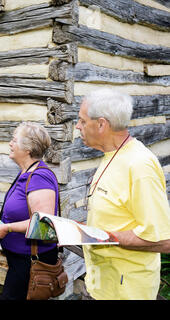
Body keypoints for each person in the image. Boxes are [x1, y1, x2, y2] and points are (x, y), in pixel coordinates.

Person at [76, 88, 170, 300]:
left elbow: (164, 239)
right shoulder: (111, 155)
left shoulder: (139, 165)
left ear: (101, 124)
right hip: (101, 287)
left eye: (82, 121)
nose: (77, 126)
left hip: (127, 292)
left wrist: (104, 237)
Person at [0, 122, 60, 300]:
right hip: (21, 261)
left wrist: (8, 228)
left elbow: (44, 223)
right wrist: (3, 214)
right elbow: (26, 209)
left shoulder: (39, 177)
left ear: (28, 149)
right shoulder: (27, 172)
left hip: (31, 261)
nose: (10, 144)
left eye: (14, 140)